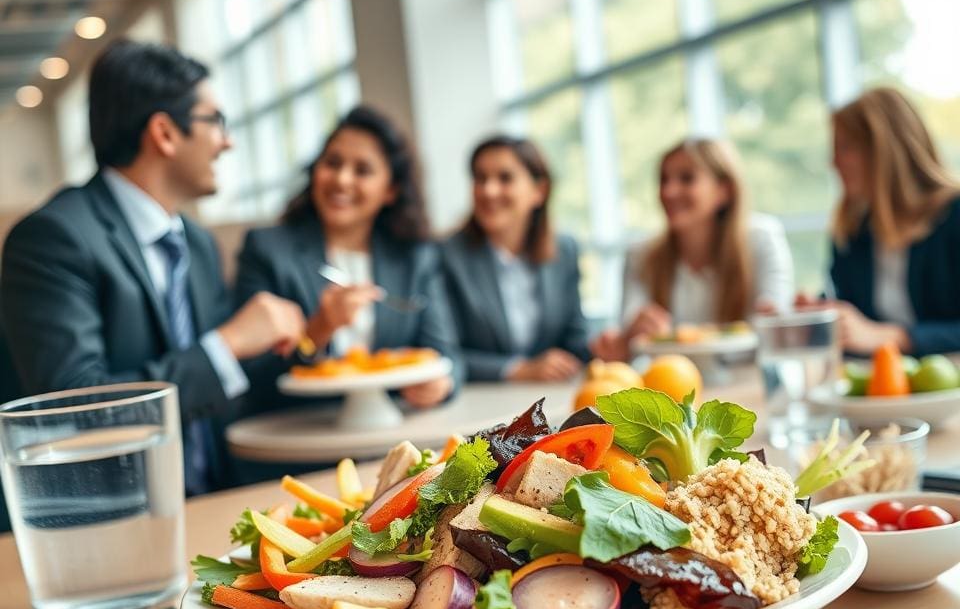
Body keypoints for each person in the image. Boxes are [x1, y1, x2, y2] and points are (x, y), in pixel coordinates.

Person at [0, 40, 306, 495]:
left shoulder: (197, 244)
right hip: (110, 517)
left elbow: (216, 386)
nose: (227, 140)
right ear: (164, 133)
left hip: (213, 499)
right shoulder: (53, 238)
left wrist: (309, 331)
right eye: (215, 121)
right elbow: (71, 410)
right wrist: (228, 344)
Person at [235, 105, 459, 415]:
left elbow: (448, 356)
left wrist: (442, 385)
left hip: (396, 428)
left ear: (391, 190)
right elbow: (249, 378)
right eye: (332, 163)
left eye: (362, 170)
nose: (341, 180)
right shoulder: (267, 250)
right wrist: (317, 330)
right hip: (299, 437)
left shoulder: (415, 257)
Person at [592, 138, 794, 361]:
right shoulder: (640, 255)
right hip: (668, 389)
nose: (668, 191)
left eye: (687, 179)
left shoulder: (762, 239)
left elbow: (775, 324)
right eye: (663, 180)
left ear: (723, 191)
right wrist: (627, 337)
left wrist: (776, 318)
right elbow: (629, 339)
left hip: (747, 385)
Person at [442, 134, 591, 382]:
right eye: (480, 178)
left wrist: (610, 345)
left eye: (505, 178)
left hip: (550, 397)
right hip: (480, 403)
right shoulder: (446, 256)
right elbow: (444, 353)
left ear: (539, 191)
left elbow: (576, 341)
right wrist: (518, 369)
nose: (488, 190)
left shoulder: (565, 251)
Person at [826, 86, 960, 356]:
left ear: (884, 149)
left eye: (846, 148)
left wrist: (896, 337)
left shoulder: (954, 215)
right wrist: (819, 317)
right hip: (883, 390)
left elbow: (872, 335)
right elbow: (854, 320)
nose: (834, 162)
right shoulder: (853, 231)